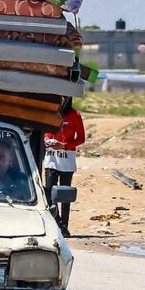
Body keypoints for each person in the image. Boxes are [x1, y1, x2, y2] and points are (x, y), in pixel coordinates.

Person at [44, 100, 86, 236]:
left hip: (67, 160)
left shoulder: (75, 115)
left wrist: (64, 145)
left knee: (65, 194)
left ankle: (64, 226)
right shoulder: (51, 111)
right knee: (49, 193)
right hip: (51, 159)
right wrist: (48, 140)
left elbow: (81, 138)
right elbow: (45, 131)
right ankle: (55, 223)